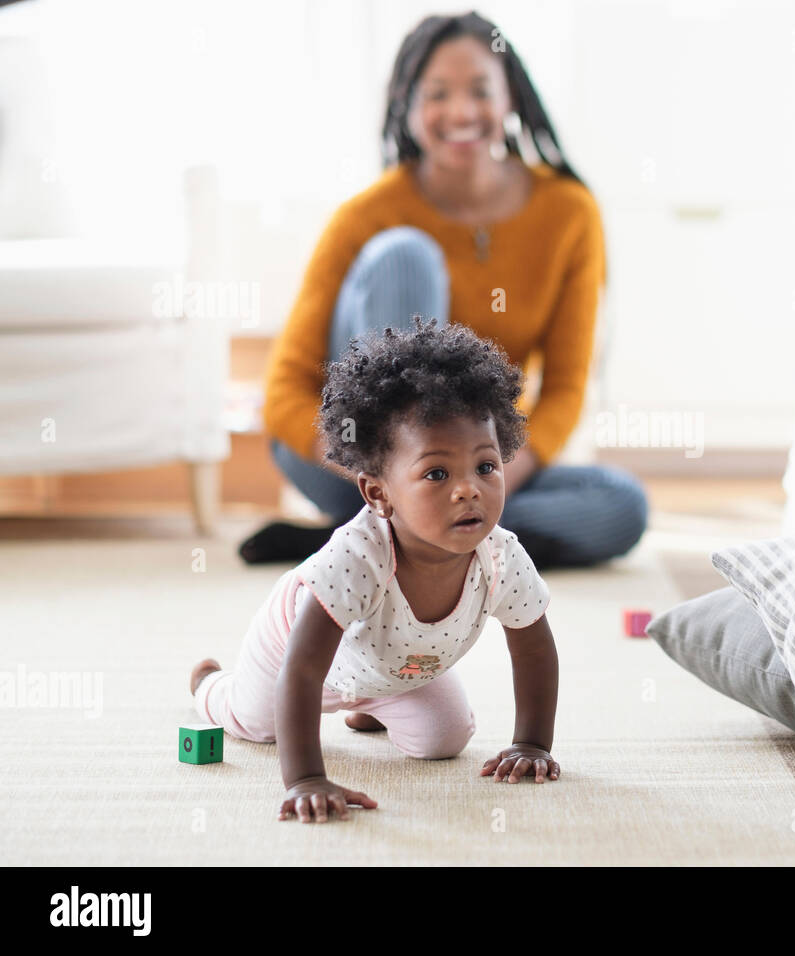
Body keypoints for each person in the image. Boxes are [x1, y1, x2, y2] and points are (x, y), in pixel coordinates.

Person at [239, 11, 647, 569]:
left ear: (509, 100)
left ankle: (380, 544)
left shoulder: (569, 213)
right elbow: (285, 390)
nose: (461, 111)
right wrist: (387, 475)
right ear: (408, 106)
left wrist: (482, 478)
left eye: (480, 90)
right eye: (437, 94)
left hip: (473, 468)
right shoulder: (369, 214)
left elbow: (566, 390)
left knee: (621, 505)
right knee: (405, 256)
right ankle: (411, 527)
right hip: (355, 460)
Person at [194, 323, 562, 823]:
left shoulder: (500, 558)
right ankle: (209, 685)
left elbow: (534, 646)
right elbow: (302, 671)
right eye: (437, 474)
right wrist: (306, 778)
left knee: (445, 739)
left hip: (396, 667)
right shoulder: (358, 560)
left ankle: (370, 708)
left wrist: (532, 743)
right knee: (257, 723)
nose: (468, 490)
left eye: (486, 467)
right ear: (378, 493)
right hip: (294, 653)